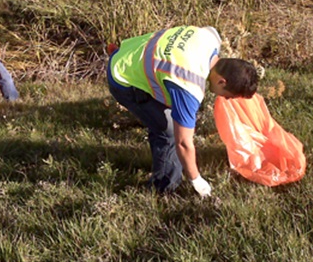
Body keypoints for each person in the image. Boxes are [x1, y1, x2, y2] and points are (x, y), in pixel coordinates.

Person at [107, 25, 259, 197]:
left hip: (130, 52)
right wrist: (196, 180)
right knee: (168, 131)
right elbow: (184, 143)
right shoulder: (189, 84)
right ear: (222, 82)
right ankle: (163, 189)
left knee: (175, 114)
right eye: (229, 96)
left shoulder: (210, 37)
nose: (227, 99)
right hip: (123, 77)